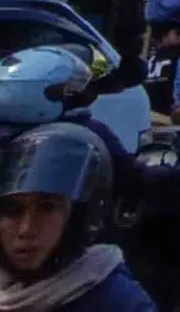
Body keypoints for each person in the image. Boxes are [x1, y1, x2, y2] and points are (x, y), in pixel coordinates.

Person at [0, 122, 156, 311]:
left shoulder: (119, 302)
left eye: (47, 208)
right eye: (12, 210)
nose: (26, 229)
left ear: (79, 218)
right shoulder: (7, 291)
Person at [145, 20, 180, 114]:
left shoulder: (151, 57)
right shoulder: (179, 56)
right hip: (167, 111)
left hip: (148, 109)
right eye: (177, 34)